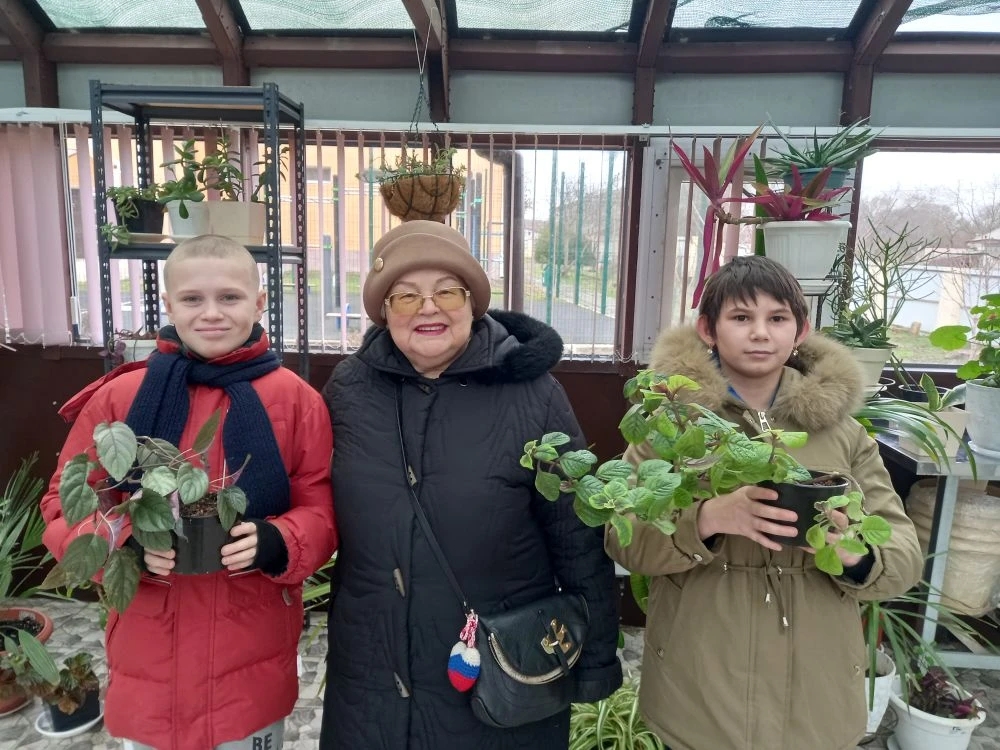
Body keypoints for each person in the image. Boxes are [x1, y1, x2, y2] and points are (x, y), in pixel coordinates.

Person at [319, 220, 622, 750]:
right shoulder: (348, 389)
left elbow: (577, 534)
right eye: (405, 296)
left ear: (473, 302)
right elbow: (314, 502)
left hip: (501, 673)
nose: (428, 309)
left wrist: (595, 656)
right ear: (383, 310)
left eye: (447, 292)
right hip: (371, 669)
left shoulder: (534, 396)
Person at [605, 255, 922, 750]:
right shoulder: (670, 424)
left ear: (801, 330)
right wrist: (707, 518)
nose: (759, 333)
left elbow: (903, 551)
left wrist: (855, 554)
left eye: (777, 318)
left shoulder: (842, 432)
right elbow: (624, 535)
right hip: (700, 680)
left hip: (816, 689)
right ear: (708, 329)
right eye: (740, 317)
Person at [40, 235, 338, 750]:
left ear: (260, 302)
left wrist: (280, 540)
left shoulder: (296, 401)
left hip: (250, 659)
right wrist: (122, 544)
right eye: (193, 299)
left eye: (230, 297)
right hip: (148, 656)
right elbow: (63, 505)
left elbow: (321, 506)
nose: (212, 313)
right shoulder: (120, 397)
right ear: (169, 304)